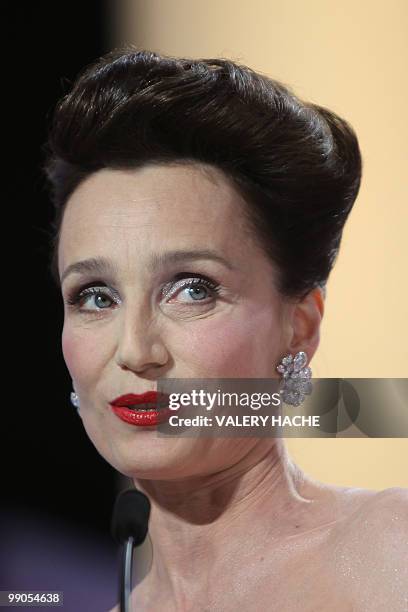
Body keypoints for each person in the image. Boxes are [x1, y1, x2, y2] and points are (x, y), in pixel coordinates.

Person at [43, 47, 407, 611]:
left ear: (300, 327)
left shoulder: (392, 550)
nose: (136, 350)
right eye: (96, 297)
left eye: (193, 288)